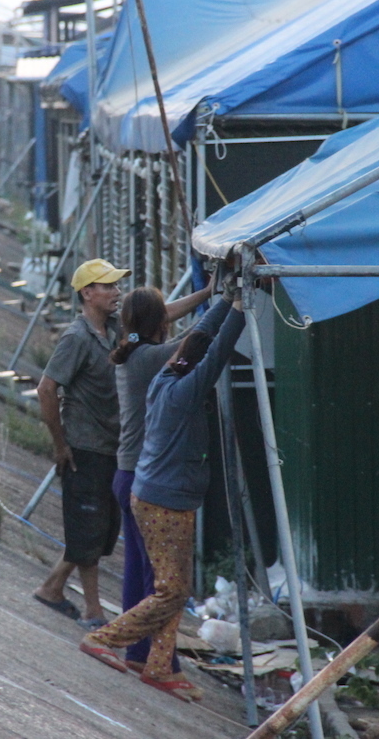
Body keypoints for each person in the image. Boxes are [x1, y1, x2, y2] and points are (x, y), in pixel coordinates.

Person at [79, 281, 245, 703]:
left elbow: (187, 339)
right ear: (161, 326)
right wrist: (234, 306)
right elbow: (206, 348)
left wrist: (220, 296)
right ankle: (110, 640)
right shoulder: (162, 368)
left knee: (165, 583)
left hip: (141, 480)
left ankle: (156, 663)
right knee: (166, 587)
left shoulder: (142, 357)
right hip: (156, 487)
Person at [107, 276, 214, 674]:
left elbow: (163, 316)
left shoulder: (131, 350)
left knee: (138, 570)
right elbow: (197, 345)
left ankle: (136, 652)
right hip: (144, 477)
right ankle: (157, 658)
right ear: (156, 322)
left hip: (125, 473)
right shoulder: (153, 358)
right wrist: (227, 304)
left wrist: (205, 294)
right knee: (161, 580)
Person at [31, 258, 130, 629]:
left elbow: (158, 318)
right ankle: (93, 611)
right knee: (89, 527)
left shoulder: (117, 330)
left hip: (110, 447)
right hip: (84, 449)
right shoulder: (76, 338)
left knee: (100, 531)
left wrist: (207, 297)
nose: (117, 292)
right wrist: (60, 444)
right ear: (88, 293)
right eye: (109, 286)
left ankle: (52, 588)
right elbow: (46, 389)